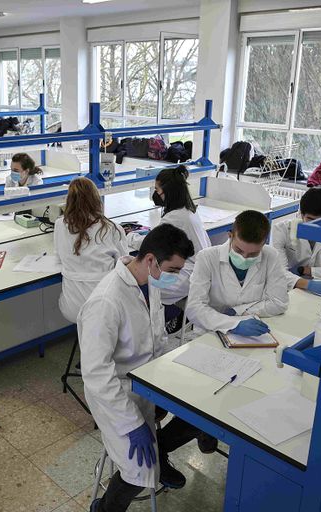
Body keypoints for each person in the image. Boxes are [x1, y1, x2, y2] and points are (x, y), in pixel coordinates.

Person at [80, 224, 202, 512]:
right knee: (139, 471)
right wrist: (131, 424)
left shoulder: (148, 283)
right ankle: (105, 508)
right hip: (116, 394)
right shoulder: (106, 300)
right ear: (150, 260)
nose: (175, 278)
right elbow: (97, 375)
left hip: (148, 380)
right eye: (172, 270)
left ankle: (161, 448)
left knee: (201, 413)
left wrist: (183, 365)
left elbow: (157, 341)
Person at [185, 210, 289, 335]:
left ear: (264, 243)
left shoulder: (271, 256)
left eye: (253, 254)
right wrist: (233, 324)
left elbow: (279, 302)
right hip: (211, 330)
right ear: (230, 236)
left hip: (253, 329)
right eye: (239, 250)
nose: (244, 258)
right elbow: (195, 308)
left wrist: (237, 311)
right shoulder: (207, 258)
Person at [127, 165, 210, 305]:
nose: (155, 194)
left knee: (138, 285)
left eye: (157, 190)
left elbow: (150, 244)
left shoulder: (174, 217)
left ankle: (167, 317)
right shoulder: (188, 210)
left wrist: (129, 236)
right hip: (198, 270)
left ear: (168, 191)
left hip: (187, 275)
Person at [54, 177, 128, 323]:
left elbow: (58, 257)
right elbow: (125, 265)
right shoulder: (112, 229)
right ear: (96, 199)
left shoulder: (59, 225)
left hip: (72, 308)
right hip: (104, 307)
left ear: (69, 200)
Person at [272, 188, 321, 295]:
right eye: (311, 219)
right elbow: (278, 272)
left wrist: (305, 270)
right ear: (301, 214)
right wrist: (308, 284)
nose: (317, 226)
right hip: (289, 289)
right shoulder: (282, 230)